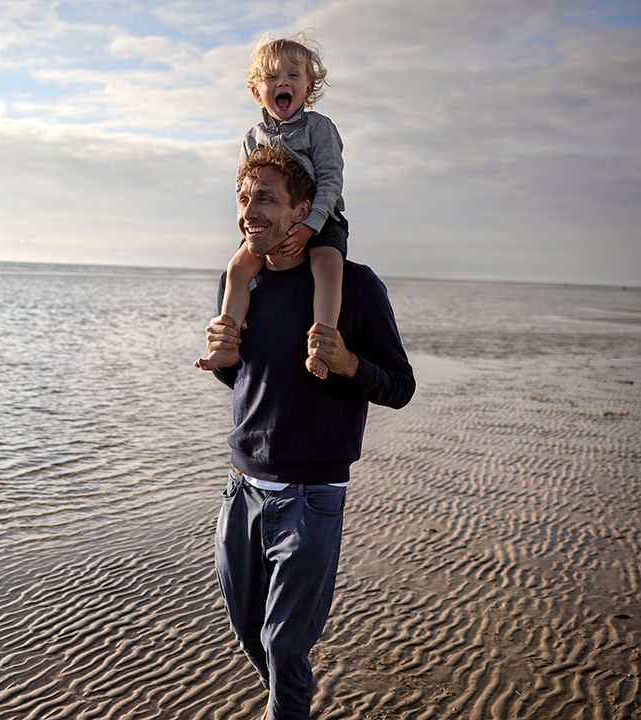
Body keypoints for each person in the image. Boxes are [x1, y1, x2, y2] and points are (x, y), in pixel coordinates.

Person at [205, 145, 415, 719]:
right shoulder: (241, 286)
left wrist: (349, 364)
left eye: (266, 199)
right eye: (244, 199)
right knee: (251, 632)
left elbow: (400, 385)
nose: (250, 211)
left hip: (313, 498)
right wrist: (224, 359)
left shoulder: (356, 285)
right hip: (242, 490)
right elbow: (251, 381)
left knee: (284, 644)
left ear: (303, 208)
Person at [197, 35, 349, 380]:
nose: (282, 82)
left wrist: (310, 224)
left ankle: (321, 346)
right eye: (271, 77)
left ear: (308, 88)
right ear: (256, 92)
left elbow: (330, 179)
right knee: (237, 268)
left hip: (323, 218)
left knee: (327, 265)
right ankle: (226, 343)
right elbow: (244, 187)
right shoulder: (252, 137)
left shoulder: (319, 128)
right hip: (271, 225)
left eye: (293, 76)